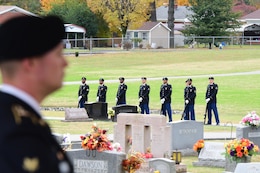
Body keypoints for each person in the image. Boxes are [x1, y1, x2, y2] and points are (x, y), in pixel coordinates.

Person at [0, 15, 73, 172]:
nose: (65, 63)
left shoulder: (19, 118)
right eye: (58, 54)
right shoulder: (17, 131)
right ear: (31, 63)